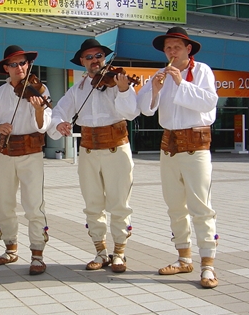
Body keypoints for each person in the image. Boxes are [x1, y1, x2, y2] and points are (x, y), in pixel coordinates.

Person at [137, 26, 219, 289]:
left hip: (196, 144)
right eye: (168, 48)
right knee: (174, 205)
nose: (171, 52)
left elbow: (208, 102)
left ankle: (208, 264)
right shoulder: (159, 75)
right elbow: (145, 110)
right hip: (169, 144)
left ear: (188, 49)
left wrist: (180, 83)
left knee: (201, 206)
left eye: (176, 47)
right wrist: (156, 89)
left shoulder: (202, 70)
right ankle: (184, 257)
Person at [48, 38, 138, 273]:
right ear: (81, 62)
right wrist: (59, 124)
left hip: (116, 148)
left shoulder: (116, 81)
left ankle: (119, 252)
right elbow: (58, 112)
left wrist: (123, 88)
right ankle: (100, 251)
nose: (95, 61)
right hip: (88, 150)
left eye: (98, 56)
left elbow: (131, 113)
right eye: (89, 57)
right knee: (93, 204)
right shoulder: (77, 89)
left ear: (104, 58)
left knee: (119, 203)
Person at [0, 45, 51, 275]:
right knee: (3, 202)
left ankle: (37, 253)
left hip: (31, 153)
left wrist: (39, 111)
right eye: (14, 64)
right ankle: (10, 247)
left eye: (22, 63)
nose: (19, 67)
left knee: (34, 204)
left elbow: (45, 123)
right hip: (5, 153)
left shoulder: (40, 89)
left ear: (28, 65)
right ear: (6, 68)